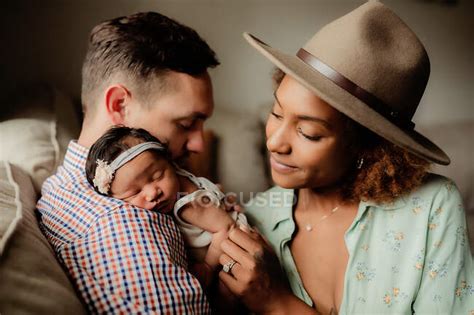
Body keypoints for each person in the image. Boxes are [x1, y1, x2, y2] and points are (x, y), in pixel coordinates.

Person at [218, 1, 474, 314]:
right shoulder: (254, 220)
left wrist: (278, 303)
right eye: (276, 113)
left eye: (309, 133)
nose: (274, 142)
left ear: (368, 146)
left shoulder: (431, 207)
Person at [37, 12, 219, 313]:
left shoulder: (63, 186)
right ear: (120, 105)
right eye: (186, 123)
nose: (199, 144)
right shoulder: (125, 226)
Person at [85, 126, 247, 287]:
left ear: (171, 163)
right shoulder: (178, 182)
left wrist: (208, 267)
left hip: (236, 250)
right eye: (134, 192)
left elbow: (226, 227)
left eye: (157, 176)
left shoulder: (187, 204)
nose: (152, 193)